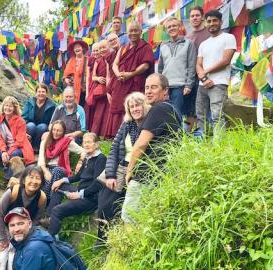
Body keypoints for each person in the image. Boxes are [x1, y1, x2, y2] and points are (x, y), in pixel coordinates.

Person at [122, 73, 182, 224]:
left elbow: (141, 144)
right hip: (160, 177)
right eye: (146, 87)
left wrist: (129, 170)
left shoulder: (159, 109)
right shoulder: (173, 110)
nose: (148, 91)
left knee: (129, 220)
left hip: (145, 176)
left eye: (154, 87)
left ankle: (128, 248)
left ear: (165, 91)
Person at [97, 92, 150, 241]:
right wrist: (110, 175)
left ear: (144, 105)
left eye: (137, 105)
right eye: (131, 106)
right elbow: (114, 150)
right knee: (104, 205)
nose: (135, 109)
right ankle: (102, 241)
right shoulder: (127, 124)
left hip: (139, 171)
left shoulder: (150, 124)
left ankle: (121, 241)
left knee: (126, 208)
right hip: (121, 169)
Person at [47, 132, 106, 237]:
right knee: (59, 185)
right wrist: (62, 180)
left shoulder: (101, 159)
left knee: (57, 210)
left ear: (96, 144)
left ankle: (50, 241)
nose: (86, 145)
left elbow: (98, 184)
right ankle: (50, 219)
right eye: (84, 142)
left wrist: (79, 194)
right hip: (80, 191)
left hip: (90, 199)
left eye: (89, 142)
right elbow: (78, 176)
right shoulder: (88, 157)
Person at [0, 165, 47, 270]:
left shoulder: (42, 198)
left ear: (42, 181)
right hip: (3, 226)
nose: (34, 181)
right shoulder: (13, 192)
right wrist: (3, 238)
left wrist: (26, 235)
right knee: (2, 256)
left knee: (14, 257)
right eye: (31, 177)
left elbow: (35, 220)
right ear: (24, 179)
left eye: (38, 178)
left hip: (22, 229)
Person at [107, 21, 154, 138]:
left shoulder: (146, 47)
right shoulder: (123, 48)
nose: (133, 33)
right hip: (121, 83)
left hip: (135, 83)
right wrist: (118, 74)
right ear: (127, 33)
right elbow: (115, 64)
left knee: (135, 107)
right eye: (130, 31)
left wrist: (131, 74)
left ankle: (134, 135)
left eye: (135, 30)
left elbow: (145, 65)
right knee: (119, 109)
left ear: (141, 32)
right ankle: (118, 136)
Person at [196, 9, 236, 136]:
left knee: (217, 116)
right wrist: (203, 79)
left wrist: (206, 72)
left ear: (221, 22)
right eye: (209, 21)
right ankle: (202, 144)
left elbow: (225, 60)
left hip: (219, 84)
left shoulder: (228, 37)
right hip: (202, 85)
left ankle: (219, 146)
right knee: (201, 116)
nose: (212, 23)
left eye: (215, 20)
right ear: (206, 23)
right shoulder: (203, 44)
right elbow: (198, 64)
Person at [158, 17, 196, 114]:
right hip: (166, 86)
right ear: (166, 30)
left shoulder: (188, 43)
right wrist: (159, 85)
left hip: (180, 85)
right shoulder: (163, 46)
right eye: (169, 27)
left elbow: (192, 65)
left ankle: (178, 130)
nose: (172, 28)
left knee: (176, 113)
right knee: (165, 112)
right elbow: (160, 68)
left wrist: (189, 85)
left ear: (179, 27)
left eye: (174, 25)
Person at [38, 120, 84, 200]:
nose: (55, 133)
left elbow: (83, 151)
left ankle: (45, 198)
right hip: (46, 167)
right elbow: (41, 160)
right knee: (33, 170)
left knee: (56, 171)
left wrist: (80, 162)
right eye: (54, 130)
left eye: (59, 131)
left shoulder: (67, 142)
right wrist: (45, 171)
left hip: (60, 168)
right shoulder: (44, 142)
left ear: (63, 132)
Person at [0, 96, 35, 179]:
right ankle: (6, 168)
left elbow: (19, 142)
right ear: (3, 106)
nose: (8, 108)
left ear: (14, 108)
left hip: (19, 147)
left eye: (10, 106)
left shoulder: (20, 121)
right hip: (6, 147)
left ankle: (9, 178)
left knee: (14, 154)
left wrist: (8, 153)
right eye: (6, 105)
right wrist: (3, 151)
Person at [185, 6, 211, 131]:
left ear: (202, 17)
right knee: (192, 108)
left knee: (210, 106)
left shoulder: (209, 33)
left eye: (197, 15)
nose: (195, 18)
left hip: (209, 75)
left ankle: (210, 133)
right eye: (192, 16)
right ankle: (191, 135)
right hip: (192, 77)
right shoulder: (187, 38)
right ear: (189, 19)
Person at [85, 40, 111, 137]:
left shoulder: (107, 58)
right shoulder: (94, 61)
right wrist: (98, 79)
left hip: (106, 88)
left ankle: (103, 133)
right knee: (94, 111)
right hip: (96, 87)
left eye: (98, 50)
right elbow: (91, 77)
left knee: (104, 112)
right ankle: (92, 132)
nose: (96, 52)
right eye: (95, 50)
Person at [21, 83, 56, 151]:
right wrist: (21, 128)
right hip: (30, 125)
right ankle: (27, 146)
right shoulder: (30, 102)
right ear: (36, 93)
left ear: (46, 93)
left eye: (43, 92)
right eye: (39, 91)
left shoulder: (51, 105)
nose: (41, 94)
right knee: (31, 125)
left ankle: (36, 146)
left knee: (42, 127)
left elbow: (53, 120)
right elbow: (24, 117)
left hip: (43, 128)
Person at [63, 40, 89, 106]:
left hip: (83, 89)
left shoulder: (88, 59)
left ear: (82, 48)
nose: (77, 48)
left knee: (81, 107)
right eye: (75, 48)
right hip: (72, 88)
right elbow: (66, 74)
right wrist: (66, 79)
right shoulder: (71, 60)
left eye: (78, 47)